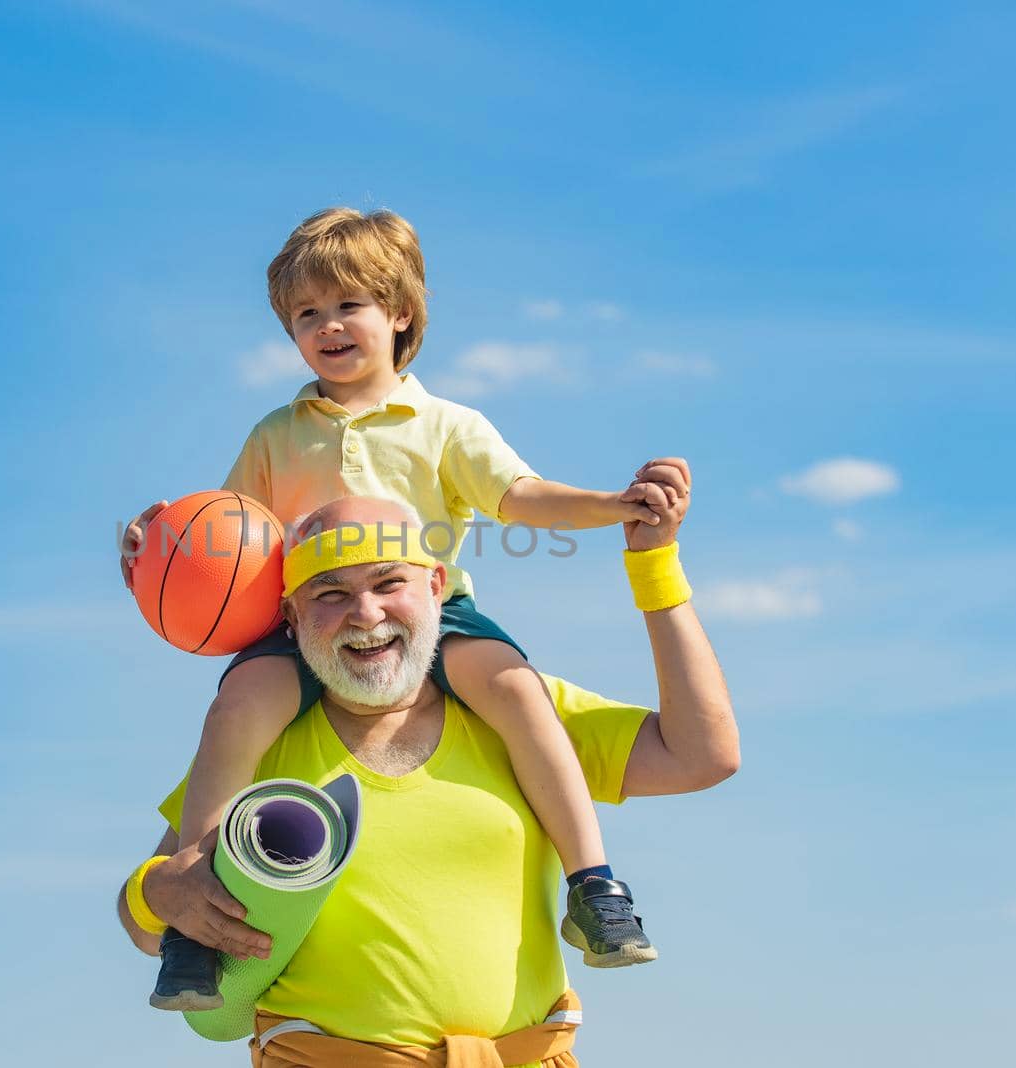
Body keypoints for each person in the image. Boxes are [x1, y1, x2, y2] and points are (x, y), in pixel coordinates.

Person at [122, 207, 686, 1010]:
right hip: (308, 622)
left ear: (399, 312)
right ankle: (193, 913)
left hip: (433, 617)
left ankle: (595, 886)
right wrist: (153, 557)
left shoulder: (446, 424)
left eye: (345, 305)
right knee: (239, 702)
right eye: (304, 315)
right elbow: (229, 541)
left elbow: (519, 497)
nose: (326, 326)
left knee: (521, 692)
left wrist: (610, 505)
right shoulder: (276, 434)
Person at [118, 487, 737, 1066]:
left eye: (390, 583)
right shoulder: (258, 733)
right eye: (329, 593)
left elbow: (701, 754)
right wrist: (154, 896)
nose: (366, 613)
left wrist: (654, 563)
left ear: (437, 587)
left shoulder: (520, 709)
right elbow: (147, 916)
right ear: (290, 614)